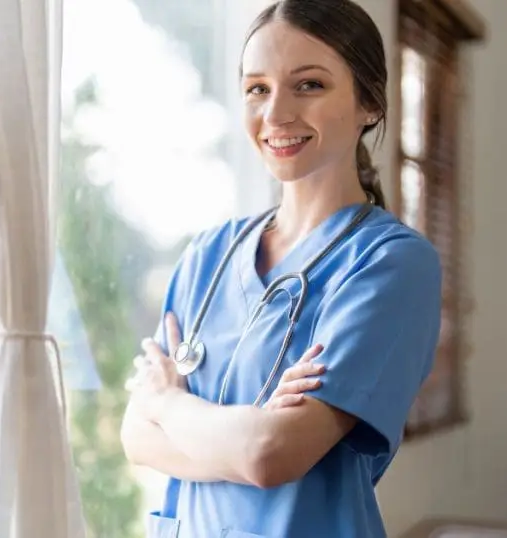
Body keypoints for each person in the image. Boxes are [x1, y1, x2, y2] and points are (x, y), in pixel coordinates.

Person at [119, 0, 444, 536]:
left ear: (369, 103)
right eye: (257, 88)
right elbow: (136, 436)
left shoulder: (391, 264)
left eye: (309, 85)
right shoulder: (209, 255)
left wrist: (169, 403)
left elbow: (272, 454)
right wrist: (243, 438)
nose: (275, 114)